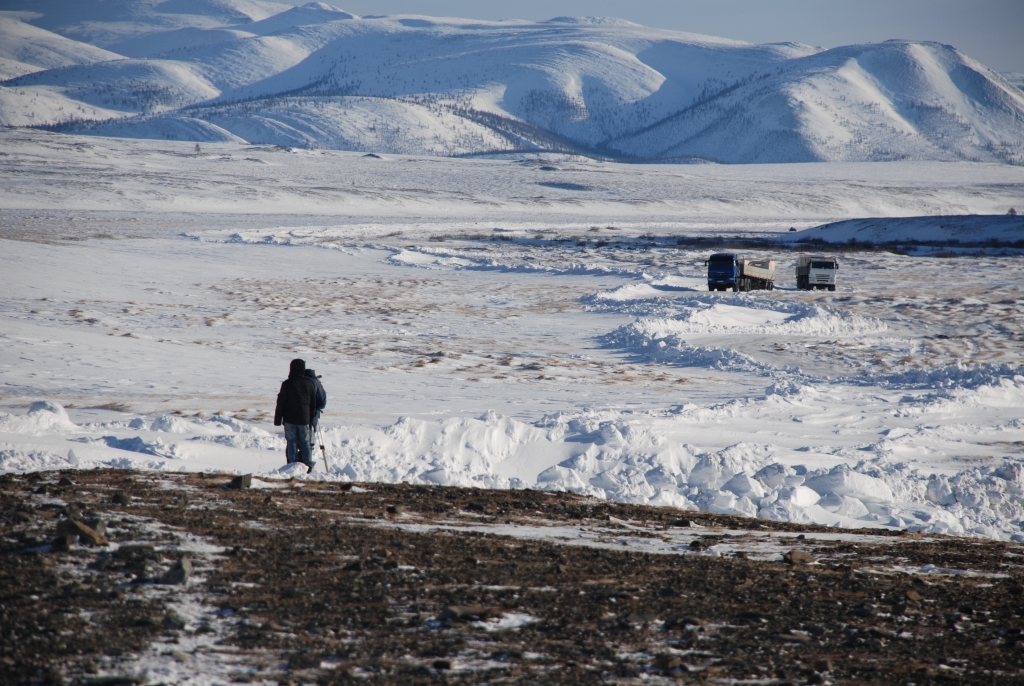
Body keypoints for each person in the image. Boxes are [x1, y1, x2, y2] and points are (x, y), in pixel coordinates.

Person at [274, 358, 317, 471]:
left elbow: (281, 403)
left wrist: (278, 420)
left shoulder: (286, 384)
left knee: (291, 442)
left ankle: (292, 465)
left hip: (289, 419)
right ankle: (308, 464)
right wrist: (311, 419)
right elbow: (313, 404)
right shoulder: (309, 383)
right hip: (304, 419)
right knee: (305, 442)